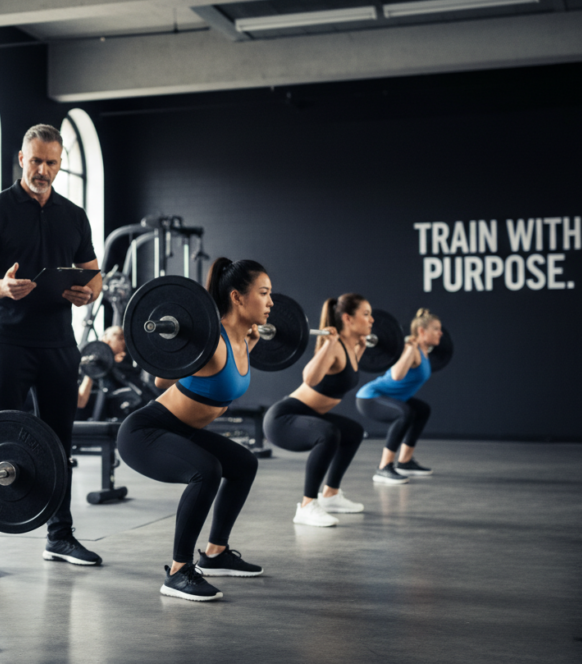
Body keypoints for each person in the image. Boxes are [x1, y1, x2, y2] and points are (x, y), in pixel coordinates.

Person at [0, 123, 103, 577]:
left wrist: (90, 293)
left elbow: (93, 273)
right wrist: (2, 287)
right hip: (7, 339)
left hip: (58, 343)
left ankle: (59, 536)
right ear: (21, 159)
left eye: (52, 162)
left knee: (58, 442)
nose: (43, 170)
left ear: (60, 163)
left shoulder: (73, 215)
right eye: (36, 161)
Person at [117, 258, 266, 602]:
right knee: (207, 470)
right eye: (264, 293)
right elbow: (159, 377)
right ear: (238, 298)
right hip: (145, 433)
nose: (271, 302)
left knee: (244, 464)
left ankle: (215, 553)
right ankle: (177, 571)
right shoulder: (212, 342)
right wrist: (188, 341)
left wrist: (249, 343)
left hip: (181, 430)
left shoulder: (242, 342)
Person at [263, 294, 372, 528]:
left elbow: (344, 378)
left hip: (308, 415)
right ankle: (306, 505)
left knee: (353, 431)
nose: (371, 320)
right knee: (329, 432)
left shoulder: (350, 347)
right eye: (366, 314)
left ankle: (331, 495)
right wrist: (330, 344)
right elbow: (310, 378)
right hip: (283, 418)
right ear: (348, 319)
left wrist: (359, 350)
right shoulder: (334, 346)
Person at [357, 308, 443, 484]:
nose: (440, 333)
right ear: (421, 331)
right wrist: (409, 350)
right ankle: (383, 467)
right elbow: (396, 375)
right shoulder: (411, 349)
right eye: (436, 328)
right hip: (370, 397)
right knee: (405, 413)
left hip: (391, 397)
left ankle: (405, 462)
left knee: (422, 410)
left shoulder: (425, 352)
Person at [77, 325, 157, 420]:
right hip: (90, 416)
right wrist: (92, 370)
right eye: (120, 338)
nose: (124, 342)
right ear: (106, 339)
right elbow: (80, 402)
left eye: (124, 338)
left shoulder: (124, 365)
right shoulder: (88, 363)